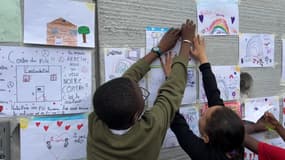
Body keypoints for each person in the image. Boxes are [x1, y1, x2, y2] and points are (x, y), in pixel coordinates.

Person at [87, 19, 196, 160]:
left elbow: (125, 83)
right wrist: (186, 42)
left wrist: (159, 49)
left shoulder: (95, 123)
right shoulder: (150, 129)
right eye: (141, 94)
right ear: (135, 117)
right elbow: (173, 89)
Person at [162, 35, 245, 160]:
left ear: (206, 137)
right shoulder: (234, 144)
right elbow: (214, 96)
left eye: (203, 115)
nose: (204, 111)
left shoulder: (202, 154)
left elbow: (176, 121)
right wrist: (203, 58)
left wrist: (171, 80)